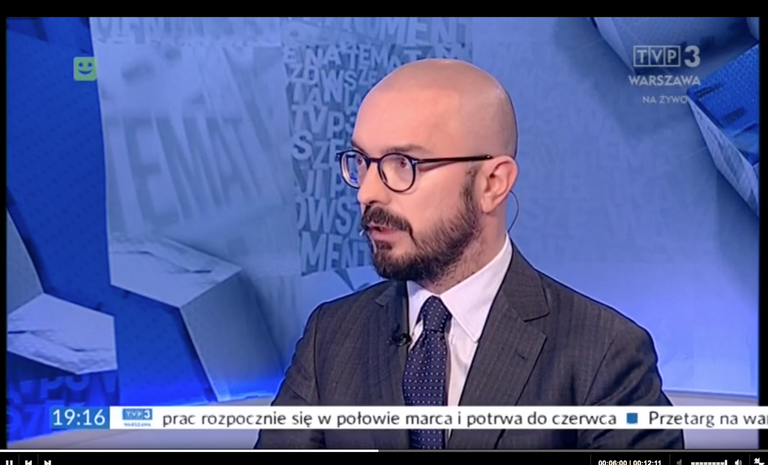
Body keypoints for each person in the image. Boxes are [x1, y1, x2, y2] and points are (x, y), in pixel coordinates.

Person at [256, 58, 684, 449]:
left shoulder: (604, 352)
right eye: (363, 162)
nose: (367, 192)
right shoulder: (331, 336)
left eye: (402, 164)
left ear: (492, 184)